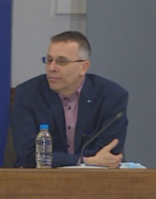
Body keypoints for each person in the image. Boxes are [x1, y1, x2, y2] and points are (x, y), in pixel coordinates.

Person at [12, 31, 127, 168]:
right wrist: (85, 161)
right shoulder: (28, 94)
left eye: (62, 61)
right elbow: (29, 155)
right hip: (41, 178)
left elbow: (108, 155)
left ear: (83, 67)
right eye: (49, 60)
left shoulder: (111, 96)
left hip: (94, 178)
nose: (52, 68)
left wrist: (66, 160)